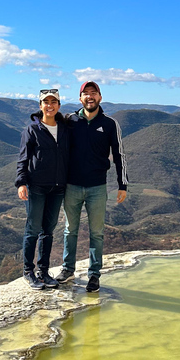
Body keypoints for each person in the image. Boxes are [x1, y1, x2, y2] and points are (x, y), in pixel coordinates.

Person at [55, 81, 128, 292]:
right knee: (70, 230)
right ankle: (68, 269)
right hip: (72, 185)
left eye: (93, 93)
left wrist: (122, 184)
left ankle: (94, 275)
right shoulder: (70, 121)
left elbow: (119, 155)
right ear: (80, 99)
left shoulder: (110, 124)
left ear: (100, 97)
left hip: (97, 187)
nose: (89, 97)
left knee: (97, 233)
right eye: (85, 94)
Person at [15, 89, 69, 290]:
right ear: (40, 106)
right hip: (36, 186)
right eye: (46, 102)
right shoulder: (32, 130)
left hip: (58, 187)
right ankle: (28, 272)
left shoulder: (64, 129)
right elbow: (23, 159)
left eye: (53, 101)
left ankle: (43, 272)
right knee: (33, 229)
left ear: (59, 105)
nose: (50, 105)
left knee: (48, 230)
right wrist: (21, 183)